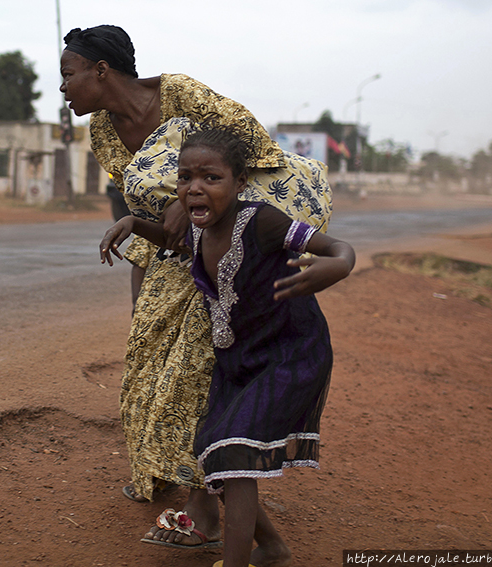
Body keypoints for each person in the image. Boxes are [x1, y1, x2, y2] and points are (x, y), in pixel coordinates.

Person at [61, 24, 332, 549]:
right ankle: (174, 477)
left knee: (197, 374)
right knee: (146, 366)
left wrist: (190, 198)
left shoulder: (179, 92)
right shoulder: (101, 132)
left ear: (101, 70)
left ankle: (204, 510)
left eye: (68, 75)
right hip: (172, 249)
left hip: (227, 246)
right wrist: (142, 295)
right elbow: (142, 208)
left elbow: (255, 145)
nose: (63, 88)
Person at [100, 127, 355, 567]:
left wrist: (336, 266)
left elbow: (337, 247)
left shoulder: (261, 221)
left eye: (210, 178)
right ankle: (272, 549)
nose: (194, 188)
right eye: (185, 177)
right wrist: (132, 223)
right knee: (214, 452)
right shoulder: (199, 229)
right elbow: (168, 238)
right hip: (237, 358)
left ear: (239, 183)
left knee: (234, 452)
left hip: (286, 353)